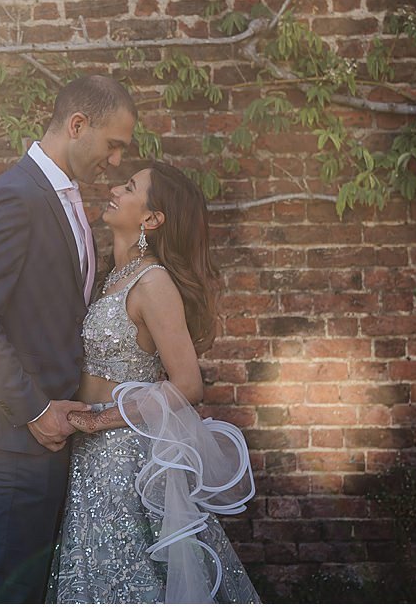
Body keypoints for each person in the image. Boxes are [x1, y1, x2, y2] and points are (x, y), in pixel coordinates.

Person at [0, 75, 137, 603]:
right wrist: (35, 411)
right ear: (78, 125)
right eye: (113, 144)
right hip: (21, 434)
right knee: (13, 589)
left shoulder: (63, 197)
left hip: (55, 431)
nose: (117, 160)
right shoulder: (16, 195)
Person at [48, 162, 261, 604]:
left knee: (130, 580)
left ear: (152, 219)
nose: (113, 190)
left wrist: (96, 420)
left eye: (128, 188)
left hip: (125, 456)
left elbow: (187, 385)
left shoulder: (154, 282)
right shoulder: (111, 276)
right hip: (90, 455)